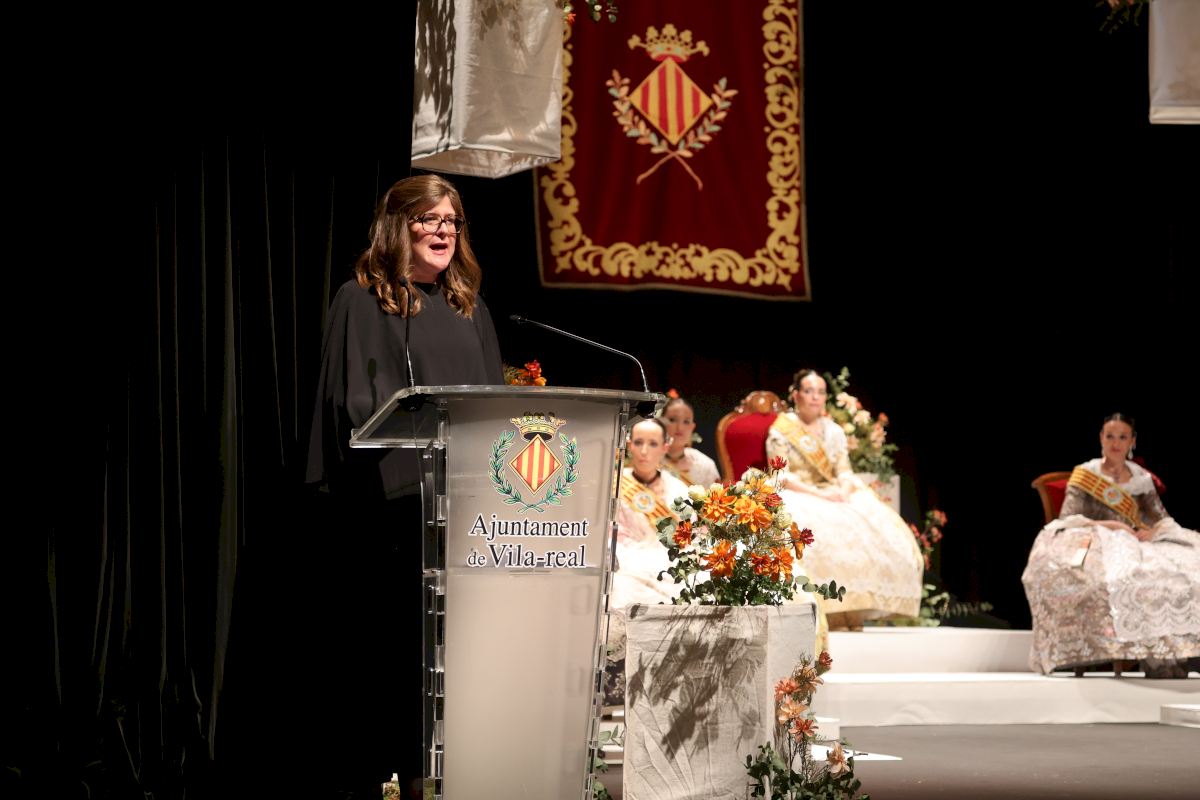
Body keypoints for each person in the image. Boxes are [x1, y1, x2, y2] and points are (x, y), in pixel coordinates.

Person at [304, 174, 504, 798]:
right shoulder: (361, 300)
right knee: (395, 651)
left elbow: (494, 405)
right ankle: (396, 775)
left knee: (454, 648)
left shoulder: (469, 307)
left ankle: (450, 768)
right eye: (430, 219)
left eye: (452, 222)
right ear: (399, 224)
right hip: (390, 509)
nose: (444, 232)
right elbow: (350, 403)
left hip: (462, 509)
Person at [1022, 413, 1200, 678]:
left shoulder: (1140, 478)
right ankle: (1142, 654)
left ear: (1132, 441)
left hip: (1137, 540)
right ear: (1101, 439)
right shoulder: (1086, 475)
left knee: (1179, 569)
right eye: (1110, 436)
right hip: (1097, 537)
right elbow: (1069, 517)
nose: (1116, 443)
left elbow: (1159, 517)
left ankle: (1167, 656)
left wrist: (1152, 531)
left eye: (1122, 437)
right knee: (1122, 577)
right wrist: (1113, 526)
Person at [765, 369, 923, 630]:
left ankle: (852, 608)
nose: (815, 397)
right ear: (795, 395)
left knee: (871, 521)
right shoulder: (782, 429)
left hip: (835, 490)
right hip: (798, 491)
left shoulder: (833, 430)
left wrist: (845, 490)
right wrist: (821, 495)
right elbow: (781, 475)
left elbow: (844, 470)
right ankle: (828, 610)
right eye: (808, 391)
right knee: (816, 528)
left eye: (820, 392)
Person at [604, 416, 692, 707]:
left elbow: (690, 535)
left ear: (666, 446)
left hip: (670, 560)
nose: (644, 451)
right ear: (628, 445)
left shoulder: (678, 489)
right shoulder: (615, 484)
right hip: (628, 557)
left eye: (652, 444)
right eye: (638, 442)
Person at [659, 394, 721, 488]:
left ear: (692, 427)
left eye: (686, 422)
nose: (680, 427)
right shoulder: (648, 460)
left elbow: (716, 496)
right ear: (661, 423)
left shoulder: (705, 464)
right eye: (673, 420)